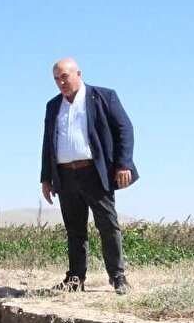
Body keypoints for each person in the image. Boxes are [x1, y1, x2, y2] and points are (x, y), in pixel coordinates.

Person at [40, 58, 138, 295]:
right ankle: (75, 279)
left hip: (94, 172)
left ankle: (118, 277)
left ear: (78, 74)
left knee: (107, 224)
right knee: (75, 230)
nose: (61, 82)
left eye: (64, 76)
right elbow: (47, 142)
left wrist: (123, 164)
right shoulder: (53, 106)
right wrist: (46, 178)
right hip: (65, 175)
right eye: (56, 78)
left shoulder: (103, 97)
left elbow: (125, 128)